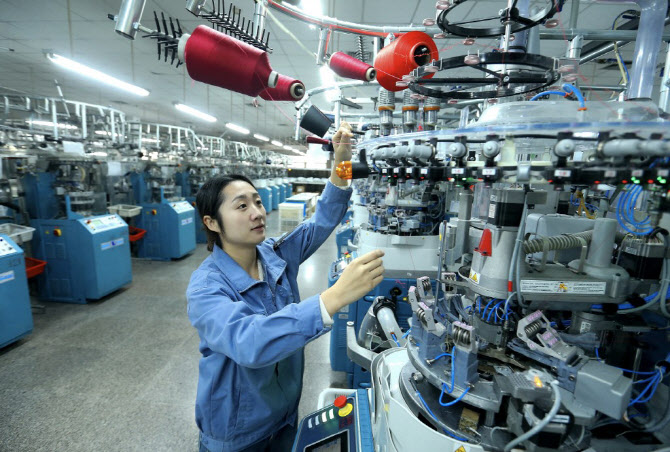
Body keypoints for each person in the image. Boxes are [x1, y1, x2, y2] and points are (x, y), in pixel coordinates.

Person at [186, 121, 385, 452]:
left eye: (257, 202)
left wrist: (342, 162)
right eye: (242, 206)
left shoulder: (274, 254)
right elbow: (249, 342)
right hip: (236, 434)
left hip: (284, 416)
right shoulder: (206, 289)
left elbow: (322, 219)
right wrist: (332, 298)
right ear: (212, 222)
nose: (257, 213)